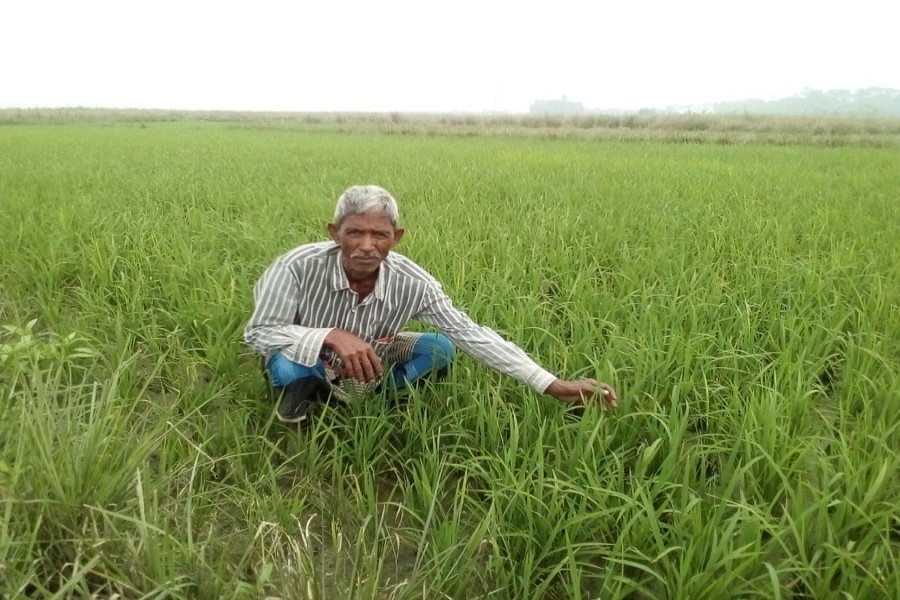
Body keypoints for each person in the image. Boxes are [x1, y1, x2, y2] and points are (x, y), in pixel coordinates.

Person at [244, 185, 618, 423]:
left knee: (440, 348)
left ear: (397, 238)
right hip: (307, 354)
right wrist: (330, 336)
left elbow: (472, 334)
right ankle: (311, 395)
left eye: (380, 235)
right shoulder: (296, 266)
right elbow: (260, 332)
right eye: (354, 232)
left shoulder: (412, 282)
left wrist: (552, 385)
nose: (366, 245)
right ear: (334, 233)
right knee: (291, 367)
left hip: (375, 351)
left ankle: (380, 398)